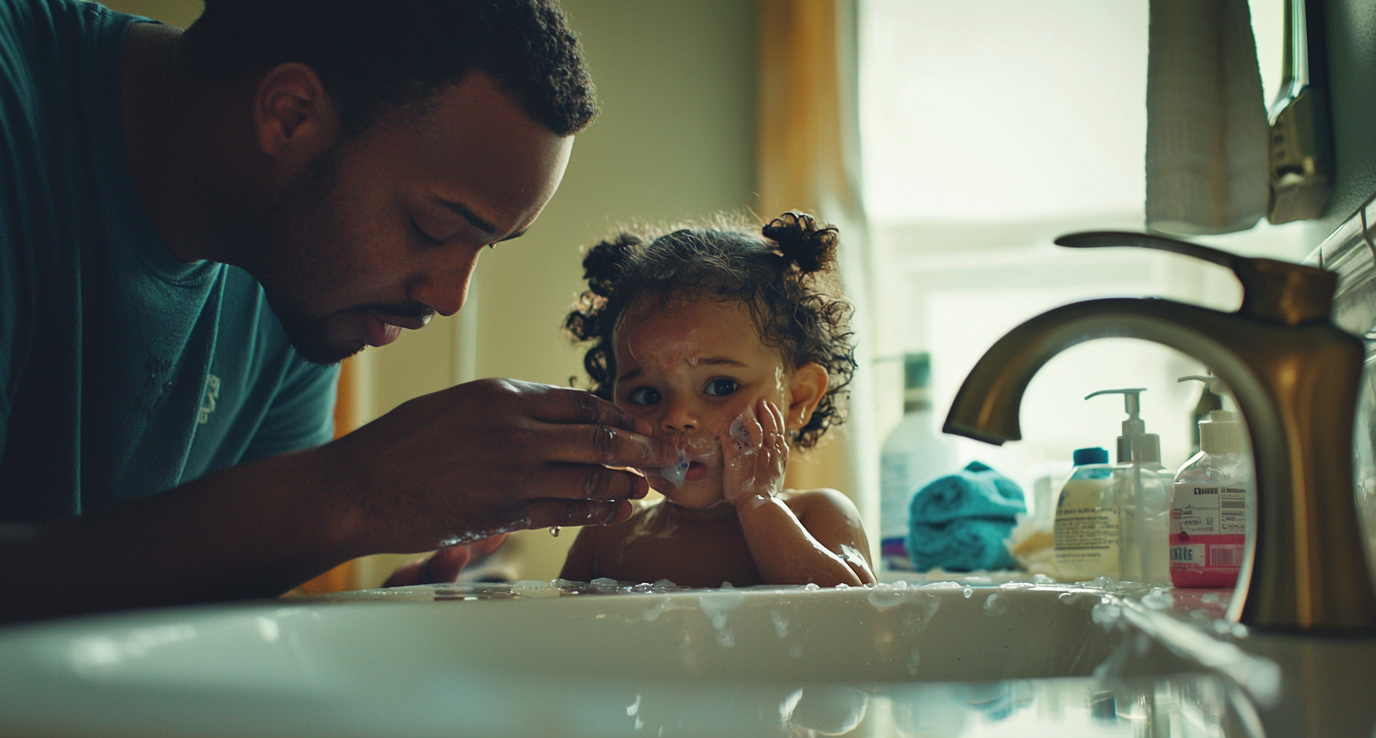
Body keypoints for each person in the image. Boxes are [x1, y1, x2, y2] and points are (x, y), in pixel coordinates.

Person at [0, 0, 677, 624]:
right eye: (434, 229)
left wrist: (358, 636)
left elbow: (189, 615)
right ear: (289, 114)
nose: (450, 296)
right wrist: (355, 494)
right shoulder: (18, 116)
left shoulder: (301, 286)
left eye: (486, 247)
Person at [557, 213, 875, 587]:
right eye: (646, 395)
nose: (677, 418)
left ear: (797, 398)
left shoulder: (817, 515)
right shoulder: (607, 537)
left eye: (721, 386)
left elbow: (854, 620)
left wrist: (758, 504)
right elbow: (554, 641)